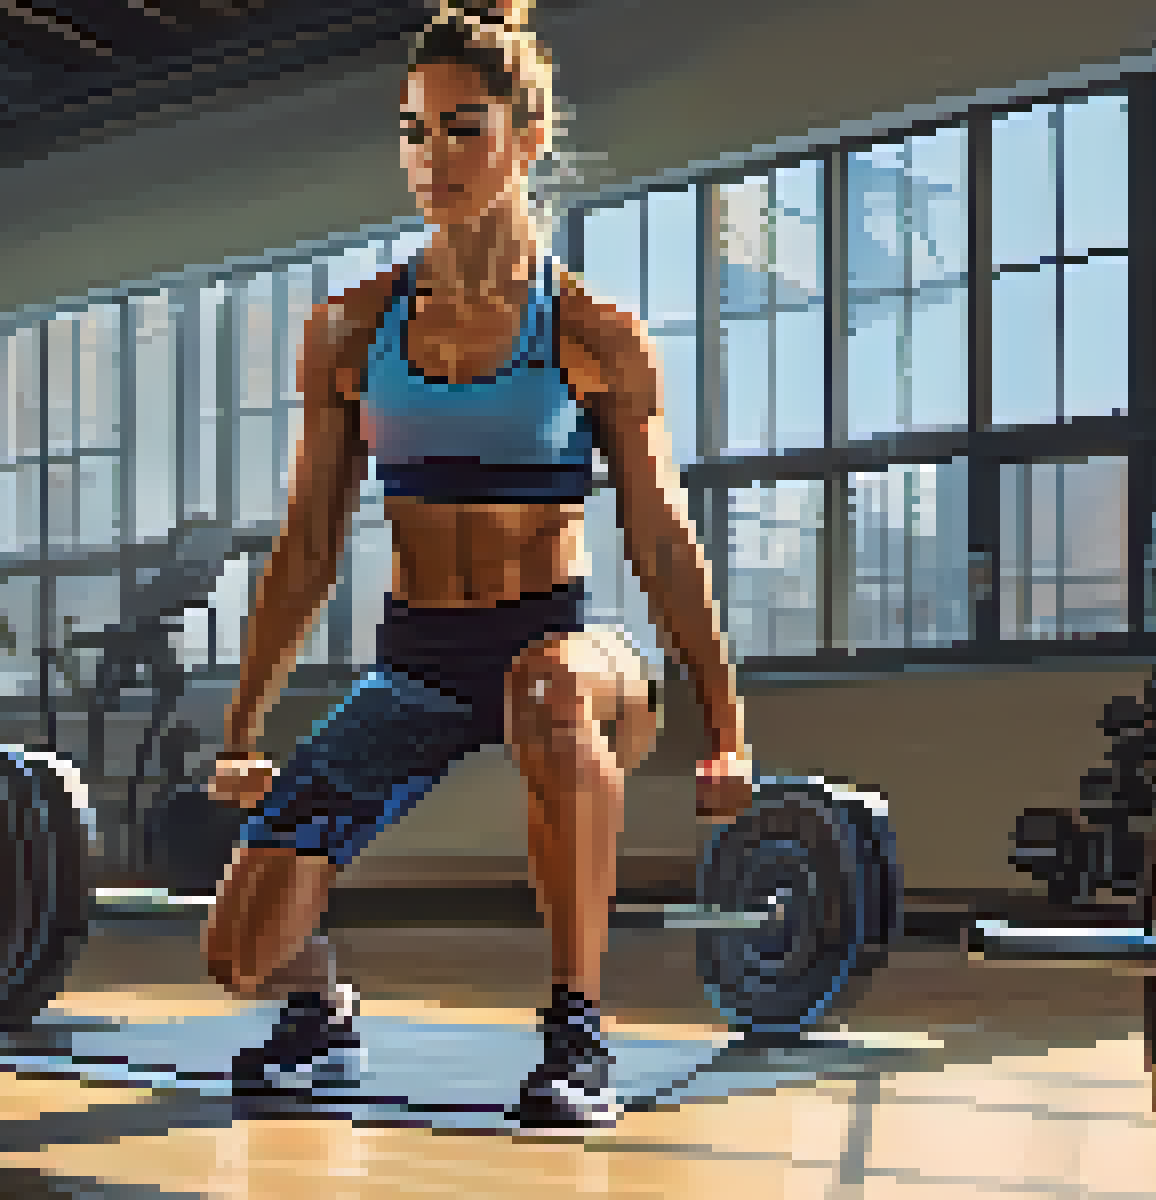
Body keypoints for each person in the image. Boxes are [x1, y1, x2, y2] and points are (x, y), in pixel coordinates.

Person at [198, 0, 755, 1131]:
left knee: (543, 692)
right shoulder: (352, 331)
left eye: (463, 128)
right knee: (239, 954)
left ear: (527, 136)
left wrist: (729, 728)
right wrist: (243, 729)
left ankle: (575, 1034)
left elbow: (660, 539)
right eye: (413, 131)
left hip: (566, 649)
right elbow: (305, 545)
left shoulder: (593, 332)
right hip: (419, 664)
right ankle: (321, 1004)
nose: (432, 158)